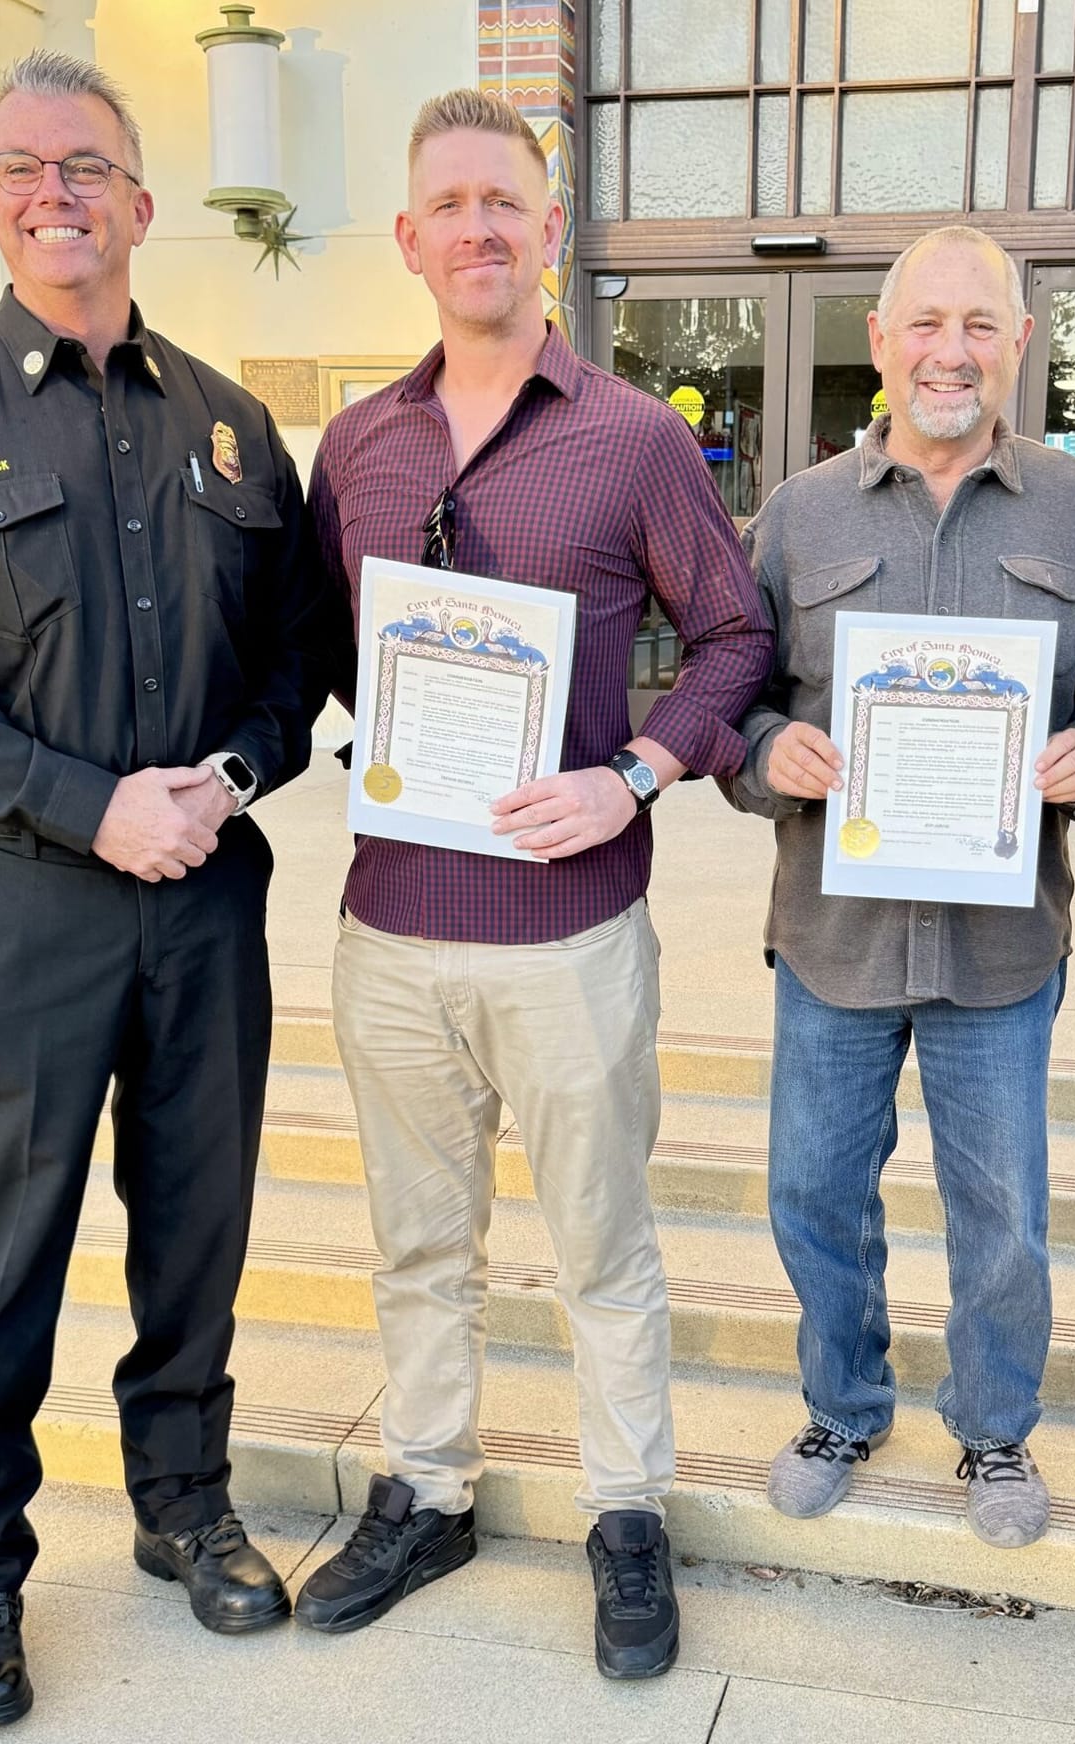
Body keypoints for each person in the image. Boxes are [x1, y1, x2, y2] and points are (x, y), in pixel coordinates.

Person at [0, 51, 340, 1732]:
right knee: (2, 1248)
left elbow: (298, 660)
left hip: (202, 900)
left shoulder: (229, 426)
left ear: (139, 200)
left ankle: (184, 1502)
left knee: (197, 1224)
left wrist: (226, 782)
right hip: (17, 906)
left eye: (88, 166)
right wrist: (86, 805)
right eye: (25, 167)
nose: (57, 193)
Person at [299, 88, 770, 1679]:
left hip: (569, 932)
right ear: (409, 239)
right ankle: (428, 1491)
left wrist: (630, 769)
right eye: (450, 204)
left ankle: (626, 1510)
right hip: (392, 931)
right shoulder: (358, 445)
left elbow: (736, 635)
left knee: (600, 1248)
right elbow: (320, 645)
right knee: (418, 1246)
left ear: (549, 229)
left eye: (505, 201)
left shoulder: (633, 437)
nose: (479, 228)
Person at [718, 226, 1075, 1550]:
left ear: (1020, 343)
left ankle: (995, 1426)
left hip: (1002, 944)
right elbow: (729, 697)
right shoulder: (798, 515)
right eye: (926, 323)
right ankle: (844, 1406)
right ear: (882, 340)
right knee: (813, 1192)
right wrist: (766, 754)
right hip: (832, 934)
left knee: (1002, 1211)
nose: (950, 351)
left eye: (980, 325)